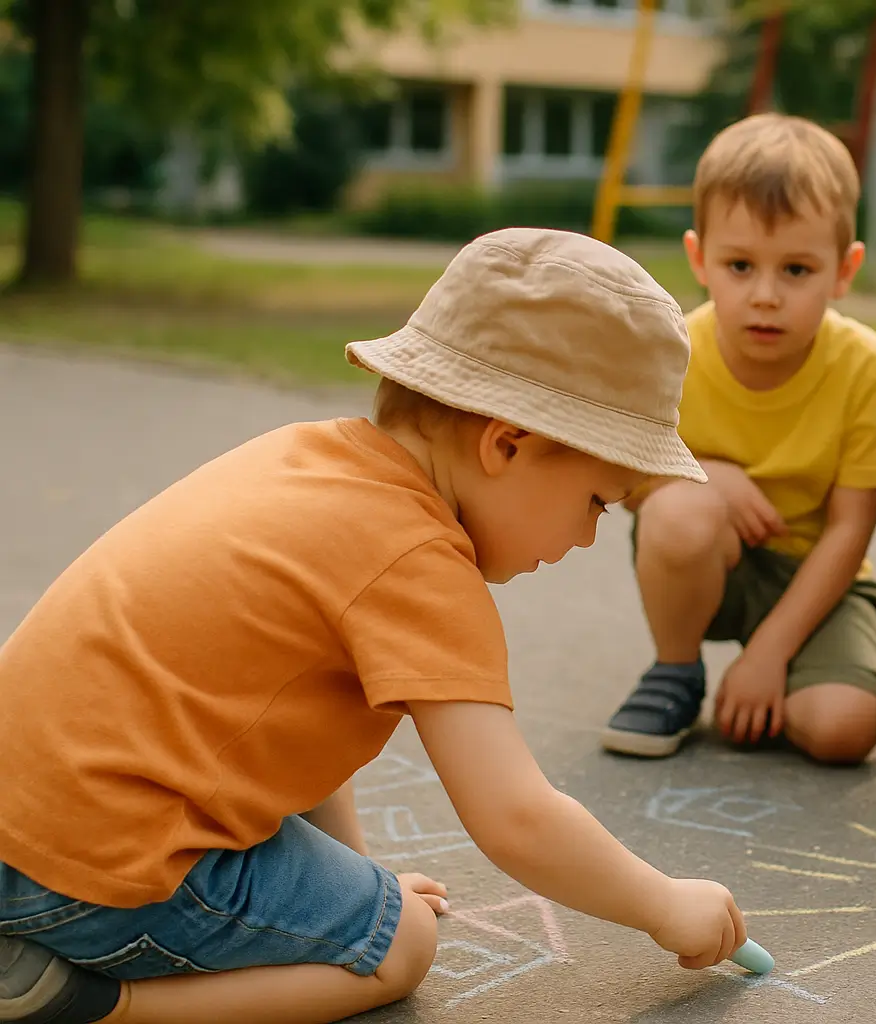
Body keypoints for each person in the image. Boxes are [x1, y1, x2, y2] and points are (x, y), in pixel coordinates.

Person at [0, 229, 750, 1024]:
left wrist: (357, 876)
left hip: (27, 821)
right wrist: (666, 905)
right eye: (598, 501)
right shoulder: (418, 561)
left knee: (381, 911)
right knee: (400, 949)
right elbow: (516, 816)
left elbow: (304, 730)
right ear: (508, 443)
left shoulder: (307, 460)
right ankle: (84, 999)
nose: (588, 536)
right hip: (98, 876)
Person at [601, 113, 876, 766]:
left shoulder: (869, 368)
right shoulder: (673, 353)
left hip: (816, 578)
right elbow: (620, 483)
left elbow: (849, 531)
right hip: (709, 564)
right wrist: (703, 474)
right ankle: (676, 672)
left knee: (843, 729)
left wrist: (771, 653)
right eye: (740, 265)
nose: (766, 296)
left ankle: (769, 673)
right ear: (699, 259)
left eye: (797, 270)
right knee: (685, 506)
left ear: (844, 269)